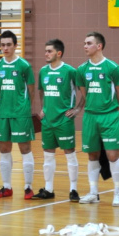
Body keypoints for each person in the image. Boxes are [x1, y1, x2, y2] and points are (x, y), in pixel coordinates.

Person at [76, 32, 119, 206]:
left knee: (112, 155)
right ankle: (93, 193)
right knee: (92, 155)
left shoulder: (113, 68)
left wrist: (111, 110)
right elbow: (84, 93)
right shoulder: (81, 70)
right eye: (84, 43)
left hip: (109, 117)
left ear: (99, 46)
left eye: (88, 43)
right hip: (90, 117)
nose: (85, 46)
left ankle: (117, 193)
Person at [33, 39, 84, 201]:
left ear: (59, 53)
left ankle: (73, 190)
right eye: (46, 50)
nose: (46, 53)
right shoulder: (43, 71)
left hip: (64, 120)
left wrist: (77, 109)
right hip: (48, 121)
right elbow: (41, 92)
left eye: (49, 51)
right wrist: (43, 108)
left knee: (69, 154)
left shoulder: (70, 71)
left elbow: (85, 91)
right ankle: (48, 189)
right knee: (48, 155)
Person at [0, 30, 37, 199]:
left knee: (25, 149)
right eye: (2, 45)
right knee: (4, 149)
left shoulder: (24, 66)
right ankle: (6, 187)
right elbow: (0, 87)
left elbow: (31, 90)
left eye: (8, 45)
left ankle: (28, 187)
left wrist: (24, 108)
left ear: (15, 45)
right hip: (3, 112)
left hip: (21, 114)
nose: (5, 48)